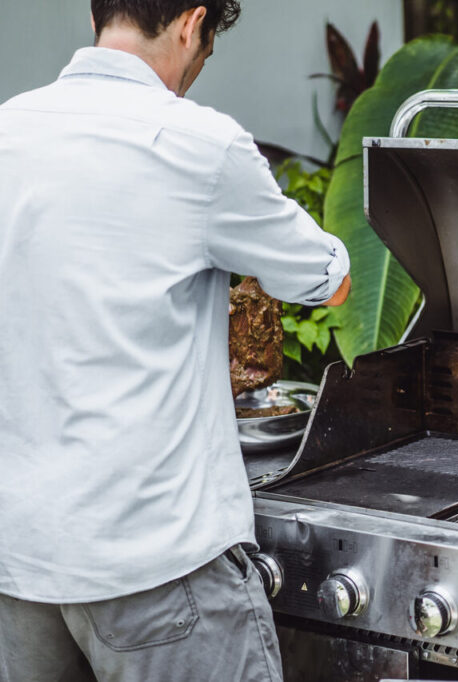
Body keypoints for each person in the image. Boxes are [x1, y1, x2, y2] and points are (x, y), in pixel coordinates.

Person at [0, 2, 352, 680]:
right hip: (156, 567)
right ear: (193, 24)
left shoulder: (8, 130)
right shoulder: (199, 143)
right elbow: (326, 281)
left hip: (21, 564)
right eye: (206, 48)